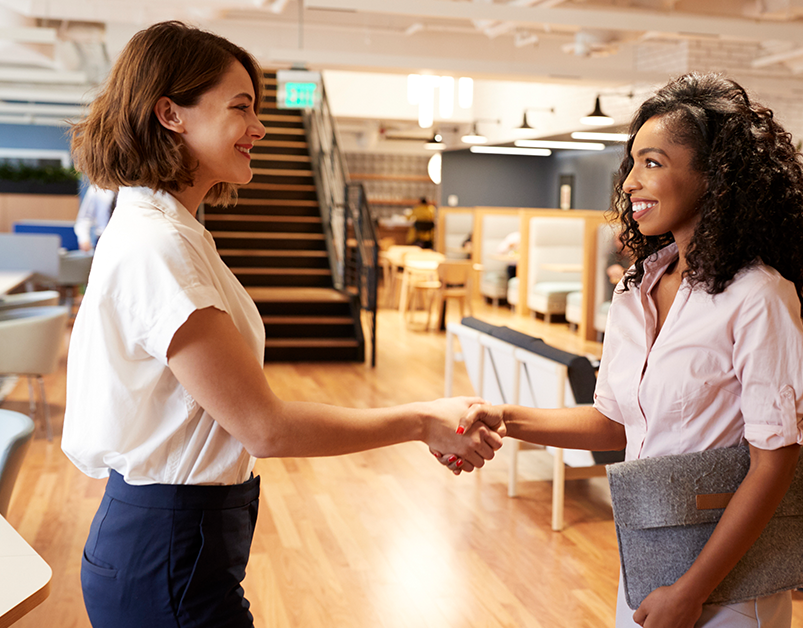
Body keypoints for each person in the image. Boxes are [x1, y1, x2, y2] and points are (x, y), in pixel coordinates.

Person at [62, 21, 501, 628]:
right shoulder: (157, 246)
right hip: (165, 552)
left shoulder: (170, 231)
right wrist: (422, 420)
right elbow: (263, 428)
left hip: (173, 545)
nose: (260, 127)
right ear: (172, 114)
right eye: (241, 107)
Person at [459, 73, 803, 628]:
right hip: (647, 555)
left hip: (723, 585)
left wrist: (691, 592)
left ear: (715, 179)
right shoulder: (635, 288)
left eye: (653, 162)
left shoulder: (758, 297)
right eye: (632, 162)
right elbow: (615, 423)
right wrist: (504, 418)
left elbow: (775, 462)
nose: (631, 181)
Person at [73, 183, 116, 252]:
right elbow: (85, 218)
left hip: (125, 240)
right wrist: (84, 239)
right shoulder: (97, 189)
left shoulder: (131, 190)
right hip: (102, 240)